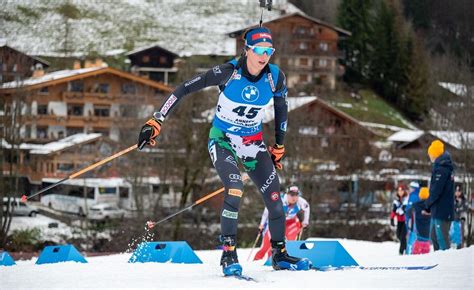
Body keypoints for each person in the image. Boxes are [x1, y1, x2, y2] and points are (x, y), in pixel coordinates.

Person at [137, 26, 311, 275]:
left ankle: (280, 254)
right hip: (223, 140)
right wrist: (157, 120)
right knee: (234, 188)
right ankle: (229, 255)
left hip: (252, 143)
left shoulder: (275, 77)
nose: (264, 56)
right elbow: (185, 87)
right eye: (259, 50)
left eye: (269, 51)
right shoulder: (228, 72)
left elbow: (282, 110)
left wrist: (280, 145)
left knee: (275, 197)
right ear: (247, 50)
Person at [254, 185, 310, 261]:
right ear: (287, 194)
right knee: (267, 245)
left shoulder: (301, 201)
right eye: (292, 195)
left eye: (296, 195)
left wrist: (305, 222)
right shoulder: (279, 199)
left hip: (291, 222)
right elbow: (267, 211)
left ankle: (289, 258)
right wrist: (262, 224)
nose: (294, 197)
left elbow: (307, 208)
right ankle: (259, 260)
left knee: (290, 241)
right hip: (276, 221)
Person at [422, 140, 455, 251]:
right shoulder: (440, 167)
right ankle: (438, 261)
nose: (430, 156)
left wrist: (427, 205)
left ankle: (446, 263)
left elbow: (436, 191)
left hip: (442, 210)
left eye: (430, 154)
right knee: (434, 237)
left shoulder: (442, 169)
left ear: (435, 154)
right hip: (438, 210)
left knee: (442, 240)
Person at [411, 187, 431, 254]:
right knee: (426, 247)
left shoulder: (416, 205)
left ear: (420, 195)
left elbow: (408, 212)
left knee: (417, 247)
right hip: (428, 231)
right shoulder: (431, 206)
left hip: (419, 230)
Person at [390, 184, 408, 255]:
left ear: (404, 191)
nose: (400, 192)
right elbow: (394, 211)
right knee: (398, 235)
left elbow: (404, 210)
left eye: (402, 190)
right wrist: (391, 219)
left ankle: (401, 252)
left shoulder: (406, 199)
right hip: (399, 221)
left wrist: (400, 210)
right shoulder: (396, 200)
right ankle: (406, 247)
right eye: (399, 190)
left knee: (403, 236)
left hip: (405, 221)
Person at [405, 181, 420, 255]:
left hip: (412, 219)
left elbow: (410, 208)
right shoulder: (413, 195)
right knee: (412, 234)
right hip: (412, 219)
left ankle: (410, 251)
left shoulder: (414, 196)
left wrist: (407, 212)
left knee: (412, 234)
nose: (409, 189)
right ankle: (411, 250)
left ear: (414, 188)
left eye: (410, 187)